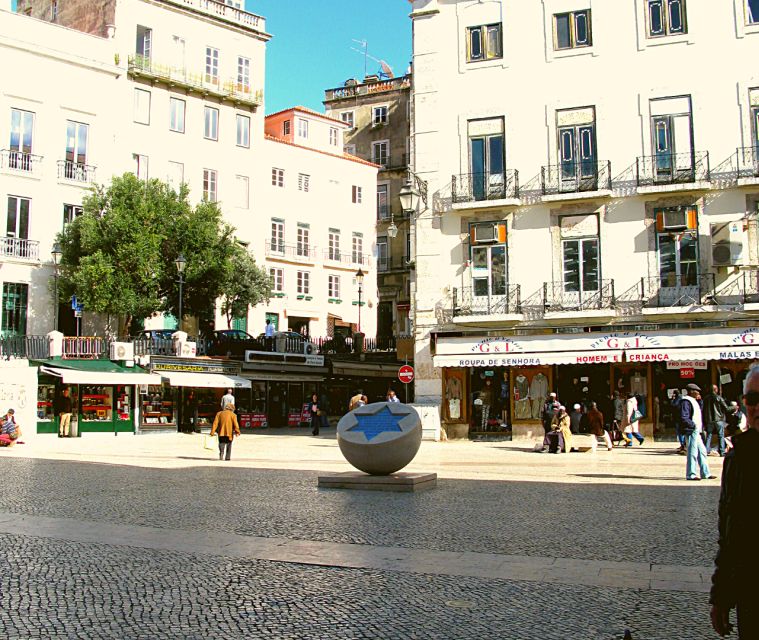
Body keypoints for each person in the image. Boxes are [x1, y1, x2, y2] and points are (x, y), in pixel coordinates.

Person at [710, 366, 759, 638]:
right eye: (753, 400)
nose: (758, 407)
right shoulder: (738, 457)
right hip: (752, 593)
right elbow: (729, 532)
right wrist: (721, 595)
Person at [679, 383, 715, 481]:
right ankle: (691, 474)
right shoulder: (685, 401)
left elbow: (698, 411)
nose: (698, 393)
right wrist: (692, 425)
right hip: (691, 430)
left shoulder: (694, 401)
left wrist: (700, 401)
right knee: (692, 452)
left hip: (697, 430)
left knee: (702, 451)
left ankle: (705, 473)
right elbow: (684, 417)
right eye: (696, 391)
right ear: (691, 391)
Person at [703, 384, 729, 457]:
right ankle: (722, 451)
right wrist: (734, 407)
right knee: (721, 435)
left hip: (709, 419)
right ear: (716, 390)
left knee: (709, 435)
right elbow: (726, 408)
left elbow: (703, 410)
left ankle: (706, 450)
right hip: (719, 419)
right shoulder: (719, 398)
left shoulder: (705, 399)